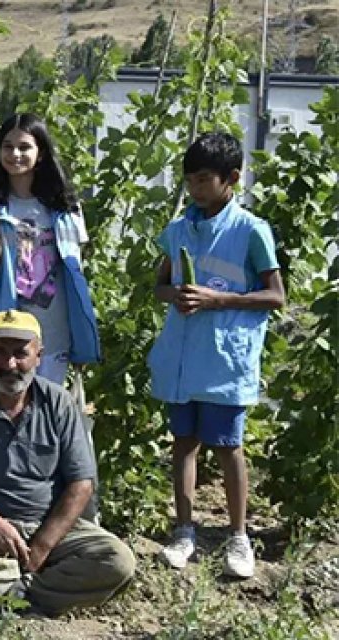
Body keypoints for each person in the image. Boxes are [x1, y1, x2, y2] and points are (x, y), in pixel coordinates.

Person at [0, 310, 135, 616]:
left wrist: (43, 546)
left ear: (38, 356)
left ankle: (2, 593)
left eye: (20, 353)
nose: (9, 365)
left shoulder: (58, 403)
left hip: (46, 525)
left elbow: (81, 484)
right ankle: (24, 595)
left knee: (117, 560)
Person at [149, 132, 284, 579]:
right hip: (184, 357)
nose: (195, 189)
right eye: (189, 180)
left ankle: (238, 536)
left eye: (204, 179)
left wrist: (215, 299)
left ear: (232, 179)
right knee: (183, 444)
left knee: (228, 447)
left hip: (226, 361)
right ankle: (184, 531)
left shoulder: (251, 231)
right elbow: (160, 285)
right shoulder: (177, 230)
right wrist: (178, 295)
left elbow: (275, 296)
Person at [0, 113, 99, 386]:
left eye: (24, 147)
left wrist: (81, 333)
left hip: (52, 334)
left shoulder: (66, 206)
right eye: (7, 146)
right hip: (4, 331)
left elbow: (75, 273)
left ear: (40, 154)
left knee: (45, 418)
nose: (15, 154)